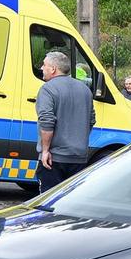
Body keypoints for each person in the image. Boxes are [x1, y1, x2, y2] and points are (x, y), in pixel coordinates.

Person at [34, 49, 94, 192]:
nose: (42, 68)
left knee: (49, 202)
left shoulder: (48, 89)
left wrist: (45, 150)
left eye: (44, 65)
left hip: (54, 158)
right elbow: (91, 120)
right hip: (79, 157)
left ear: (53, 69)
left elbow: (47, 121)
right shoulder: (85, 90)